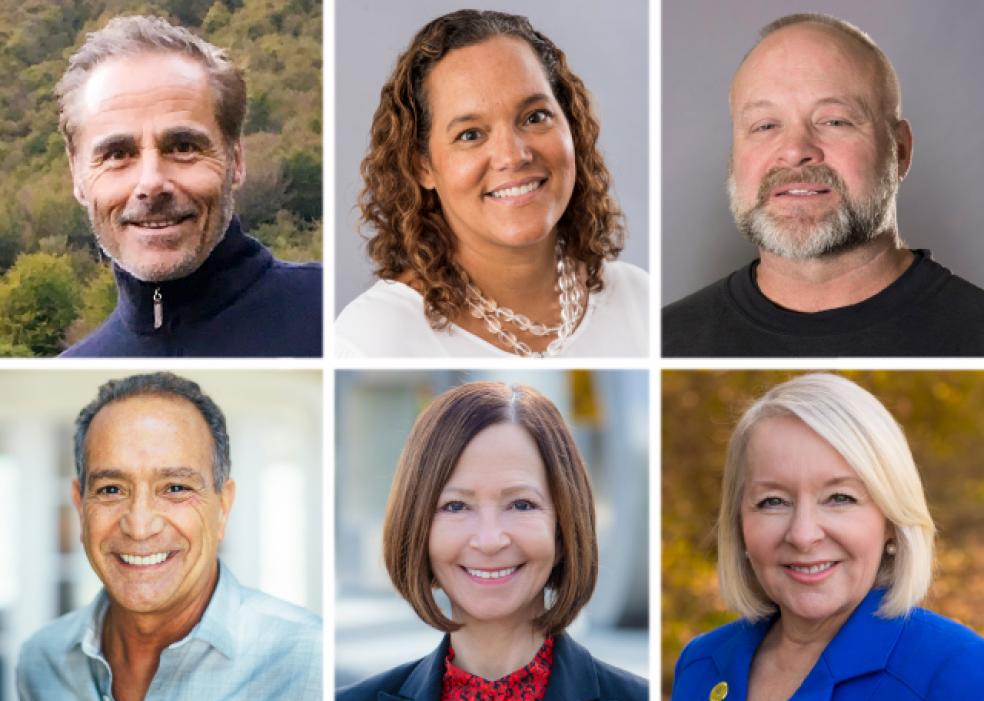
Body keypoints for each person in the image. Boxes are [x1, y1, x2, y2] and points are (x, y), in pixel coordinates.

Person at [664, 373, 984, 701]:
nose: (802, 535)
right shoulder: (701, 661)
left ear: (892, 519)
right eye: (773, 501)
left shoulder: (956, 671)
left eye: (840, 498)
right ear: (739, 524)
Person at [662, 13, 984, 356]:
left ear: (900, 151)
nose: (795, 151)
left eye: (834, 121)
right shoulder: (667, 340)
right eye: (765, 126)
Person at [335, 10, 648, 358]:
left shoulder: (640, 303)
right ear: (422, 165)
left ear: (571, 125)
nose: (513, 156)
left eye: (534, 117)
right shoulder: (371, 341)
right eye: (470, 134)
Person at [16, 373, 322, 701]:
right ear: (80, 506)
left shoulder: (309, 661)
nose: (140, 525)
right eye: (112, 489)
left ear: (223, 507)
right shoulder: (41, 663)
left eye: (175, 487)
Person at [336, 382, 647, 701]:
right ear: (418, 528)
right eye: (455, 506)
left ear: (562, 529)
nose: (489, 540)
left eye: (521, 504)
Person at [55, 15, 322, 357]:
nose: (151, 183)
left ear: (236, 161)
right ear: (77, 175)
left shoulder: (332, 322)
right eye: (118, 154)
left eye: (182, 148)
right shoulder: (79, 365)